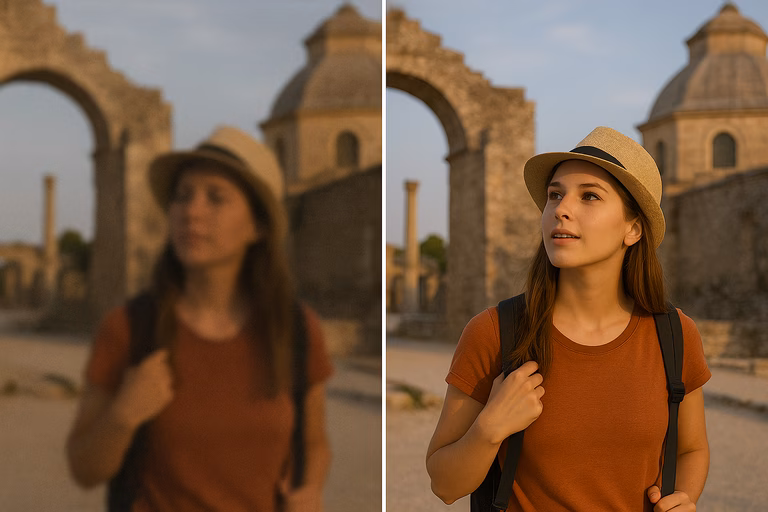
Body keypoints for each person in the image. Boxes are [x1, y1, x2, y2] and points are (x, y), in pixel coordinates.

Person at [426, 126, 711, 512]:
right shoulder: (494, 332)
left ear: (633, 229)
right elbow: (444, 484)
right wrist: (489, 428)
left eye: (589, 196)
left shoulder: (675, 335)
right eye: (555, 195)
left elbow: (691, 448)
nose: (561, 209)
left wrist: (684, 498)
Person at [66, 125, 334, 512]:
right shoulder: (128, 329)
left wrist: (310, 489)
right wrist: (123, 415)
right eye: (182, 196)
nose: (192, 212)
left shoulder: (295, 330)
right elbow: (83, 468)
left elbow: (314, 443)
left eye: (216, 198)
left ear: (257, 226)